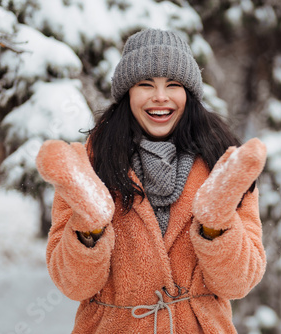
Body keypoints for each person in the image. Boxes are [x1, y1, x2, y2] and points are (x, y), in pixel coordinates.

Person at [36, 28, 267, 334]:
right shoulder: (89, 167)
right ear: (127, 93)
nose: (160, 97)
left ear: (189, 94)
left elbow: (238, 283)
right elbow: (73, 285)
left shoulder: (223, 167)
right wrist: (89, 227)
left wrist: (216, 224)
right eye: (145, 84)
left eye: (173, 84)